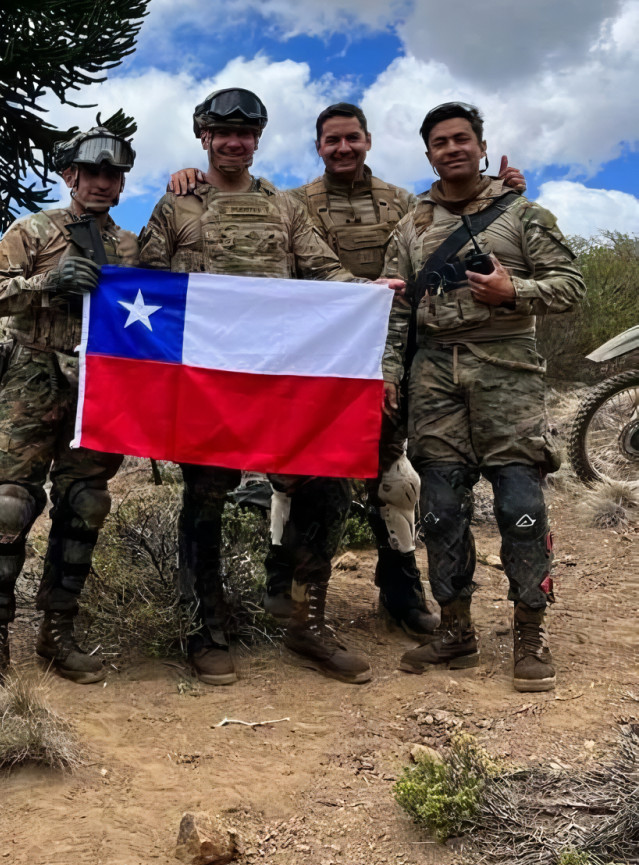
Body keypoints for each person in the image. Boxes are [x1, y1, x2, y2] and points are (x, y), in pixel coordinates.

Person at [168, 103, 525, 641]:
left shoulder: (404, 203)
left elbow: (457, 216)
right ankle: (281, 580)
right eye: (331, 140)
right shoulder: (289, 203)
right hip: (312, 362)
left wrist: (501, 190)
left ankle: (400, 586)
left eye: (352, 138)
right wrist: (191, 180)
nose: (343, 148)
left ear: (368, 140)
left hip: (389, 354)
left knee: (394, 479)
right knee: (296, 474)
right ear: (318, 147)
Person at [139, 88, 402, 687]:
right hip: (206, 382)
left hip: (281, 380)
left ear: (258, 139)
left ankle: (305, 620)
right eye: (221, 132)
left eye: (245, 133)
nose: (234, 142)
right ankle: (207, 627)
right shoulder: (174, 207)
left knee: (325, 489)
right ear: (203, 136)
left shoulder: (285, 208)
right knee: (204, 500)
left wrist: (365, 294)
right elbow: (146, 286)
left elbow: (322, 268)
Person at [380, 101, 585, 692]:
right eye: (440, 142)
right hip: (434, 375)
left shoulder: (521, 213)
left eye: (461, 139)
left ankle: (530, 633)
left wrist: (511, 289)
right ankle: (455, 630)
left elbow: (570, 285)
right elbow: (397, 308)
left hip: (507, 368)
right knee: (441, 509)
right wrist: (390, 371)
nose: (452, 149)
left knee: (520, 506)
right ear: (429, 154)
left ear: (479, 144)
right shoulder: (411, 226)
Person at [0, 125, 140, 692]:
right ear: (71, 176)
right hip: (32, 377)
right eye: (91, 172)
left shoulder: (132, 247)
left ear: (120, 184)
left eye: (112, 175)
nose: (101, 182)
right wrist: (46, 282)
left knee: (85, 503)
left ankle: (57, 630)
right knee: (8, 506)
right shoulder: (35, 230)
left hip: (99, 385)